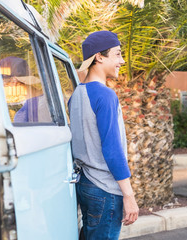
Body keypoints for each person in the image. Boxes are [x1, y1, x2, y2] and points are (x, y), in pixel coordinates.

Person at [68, 31, 139, 240]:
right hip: (105, 189)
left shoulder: (76, 95)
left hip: (86, 184)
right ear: (99, 57)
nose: (122, 60)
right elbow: (112, 150)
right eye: (117, 54)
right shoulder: (105, 95)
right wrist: (129, 195)